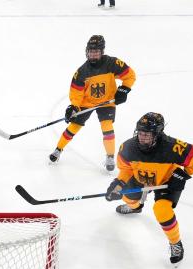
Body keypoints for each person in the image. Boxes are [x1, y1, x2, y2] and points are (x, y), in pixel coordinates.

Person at [105, 112, 193, 265]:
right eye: (140, 133)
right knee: (128, 198)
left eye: (147, 134)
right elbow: (126, 169)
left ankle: (175, 242)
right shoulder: (127, 147)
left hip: (167, 181)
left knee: (161, 210)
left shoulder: (173, 147)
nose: (142, 137)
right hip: (141, 179)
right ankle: (135, 207)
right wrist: (118, 184)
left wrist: (181, 175)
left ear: (158, 134)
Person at [49, 35, 135, 172]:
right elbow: (76, 94)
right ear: (86, 51)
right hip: (87, 102)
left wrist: (124, 89)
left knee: (107, 126)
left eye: (96, 52)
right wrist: (73, 107)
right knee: (74, 126)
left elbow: (130, 75)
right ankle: (58, 149)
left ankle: (110, 156)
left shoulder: (112, 63)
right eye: (91, 51)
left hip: (107, 101)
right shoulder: (82, 72)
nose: (93, 54)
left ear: (102, 52)